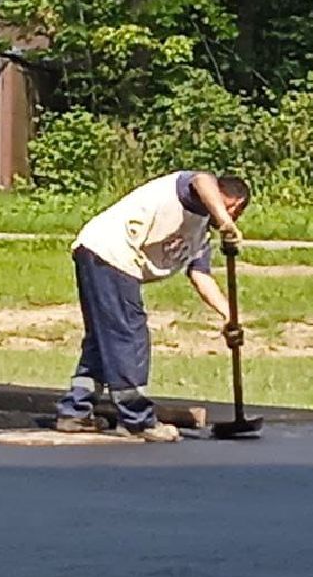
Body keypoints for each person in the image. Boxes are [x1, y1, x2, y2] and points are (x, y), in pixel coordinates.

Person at [55, 171, 251, 441]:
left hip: (101, 253)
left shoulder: (201, 234)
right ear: (235, 205)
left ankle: (75, 411)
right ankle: (136, 420)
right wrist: (226, 221)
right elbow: (202, 179)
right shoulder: (194, 195)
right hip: (110, 252)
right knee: (130, 336)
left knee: (102, 340)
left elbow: (200, 275)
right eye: (235, 213)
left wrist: (230, 316)